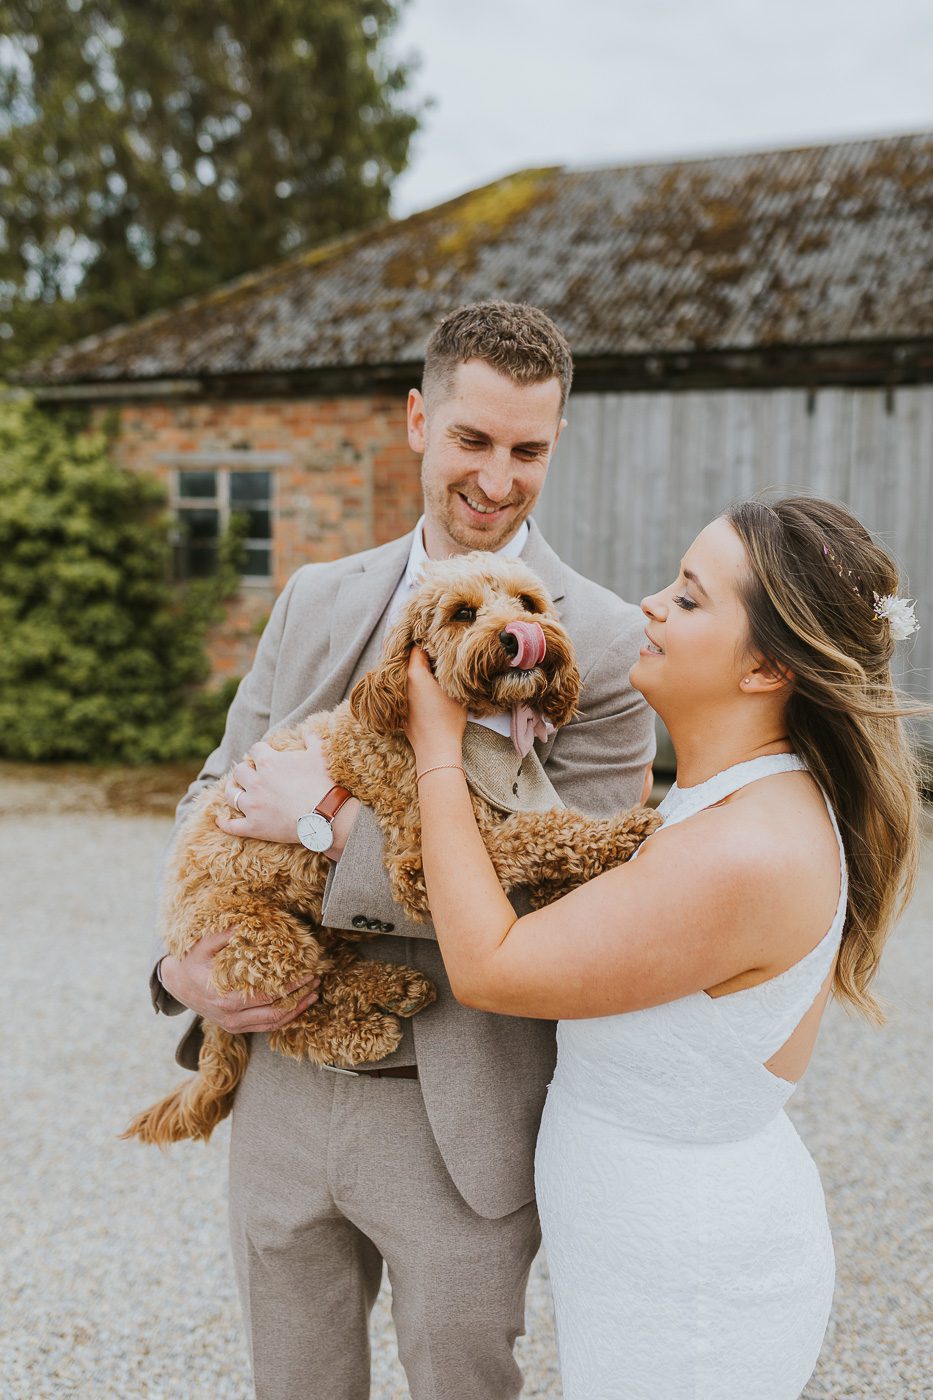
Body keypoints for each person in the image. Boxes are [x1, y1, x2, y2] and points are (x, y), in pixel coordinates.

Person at [149, 301, 656, 1400]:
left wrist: (327, 820)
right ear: (420, 421)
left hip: (461, 1103)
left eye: (528, 449)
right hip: (281, 1078)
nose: (497, 477)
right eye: (473, 440)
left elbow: (577, 893)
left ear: (556, 441)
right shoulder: (316, 596)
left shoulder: (606, 644)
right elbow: (211, 791)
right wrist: (180, 966)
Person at [402, 495, 924, 1400]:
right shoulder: (726, 799)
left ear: (764, 666)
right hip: (647, 1250)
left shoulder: (742, 850)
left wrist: (435, 749)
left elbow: (490, 966)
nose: (648, 604)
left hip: (687, 1285)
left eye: (687, 599)